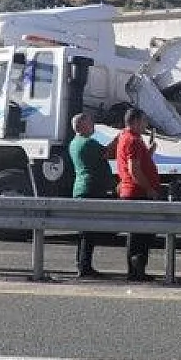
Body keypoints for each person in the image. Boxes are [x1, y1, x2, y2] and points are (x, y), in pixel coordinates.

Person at [114, 108, 162, 281]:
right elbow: (134, 169)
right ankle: (136, 270)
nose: (146, 125)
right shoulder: (132, 140)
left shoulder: (127, 138)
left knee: (139, 234)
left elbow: (136, 163)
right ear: (135, 122)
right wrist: (149, 189)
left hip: (134, 191)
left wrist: (149, 152)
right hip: (137, 192)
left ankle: (136, 270)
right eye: (144, 121)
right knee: (141, 234)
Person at [68, 112, 115, 278]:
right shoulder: (87, 143)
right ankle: (85, 267)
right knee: (89, 232)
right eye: (90, 122)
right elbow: (108, 153)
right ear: (81, 126)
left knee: (85, 232)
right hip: (90, 190)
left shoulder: (75, 143)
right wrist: (119, 138)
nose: (93, 125)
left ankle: (82, 264)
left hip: (82, 189)